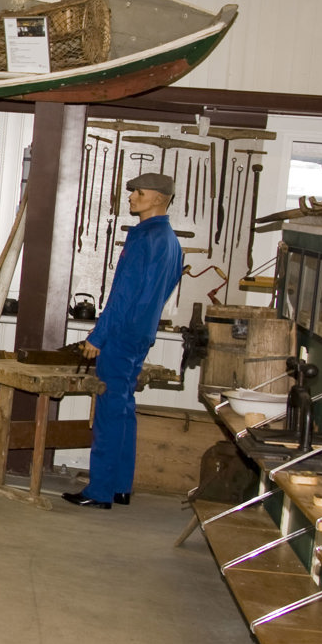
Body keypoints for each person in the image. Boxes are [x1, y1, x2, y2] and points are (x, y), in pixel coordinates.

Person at [63, 172, 184, 510]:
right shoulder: (172, 242)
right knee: (125, 409)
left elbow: (122, 295)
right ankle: (120, 486)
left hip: (120, 335)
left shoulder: (144, 237)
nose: (131, 197)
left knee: (109, 413)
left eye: (139, 193)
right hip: (141, 334)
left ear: (158, 198)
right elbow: (161, 291)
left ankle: (100, 491)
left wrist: (99, 335)